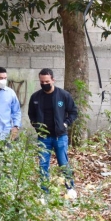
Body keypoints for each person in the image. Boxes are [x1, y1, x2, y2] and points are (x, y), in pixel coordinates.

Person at [28, 68, 78, 198]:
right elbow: (31, 114)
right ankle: (44, 193)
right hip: (43, 138)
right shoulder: (35, 97)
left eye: (47, 81)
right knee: (43, 165)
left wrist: (66, 123)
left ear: (53, 80)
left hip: (60, 136)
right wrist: (36, 126)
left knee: (63, 163)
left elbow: (73, 111)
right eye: (42, 81)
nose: (44, 84)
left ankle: (70, 188)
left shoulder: (63, 95)